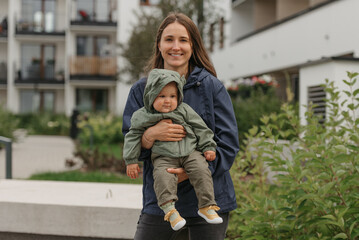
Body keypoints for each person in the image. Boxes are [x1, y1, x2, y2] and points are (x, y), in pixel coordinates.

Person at [122, 12, 239, 240]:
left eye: (183, 40)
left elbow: (229, 146)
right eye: (169, 39)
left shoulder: (212, 87)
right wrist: (150, 136)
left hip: (210, 199)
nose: (176, 47)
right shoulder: (140, 90)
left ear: (193, 46)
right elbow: (130, 136)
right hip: (161, 203)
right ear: (159, 45)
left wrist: (193, 171)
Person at [124, 68, 223, 231]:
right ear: (150, 95)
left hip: (191, 152)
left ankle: (207, 206)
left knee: (201, 169)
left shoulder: (184, 110)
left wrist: (208, 146)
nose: (168, 101)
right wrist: (131, 160)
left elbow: (201, 128)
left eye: (172, 96)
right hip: (163, 156)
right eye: (161, 96)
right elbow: (132, 136)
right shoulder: (142, 116)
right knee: (163, 176)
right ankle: (169, 210)